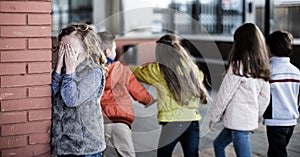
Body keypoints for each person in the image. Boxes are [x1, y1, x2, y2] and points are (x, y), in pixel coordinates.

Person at [132, 34, 209, 157]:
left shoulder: (158, 70)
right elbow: (200, 77)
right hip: (192, 122)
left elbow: (138, 71)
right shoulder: (192, 68)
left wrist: (119, 67)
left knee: (163, 155)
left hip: (172, 122)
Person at [209, 23, 271, 157]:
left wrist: (214, 116)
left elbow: (225, 93)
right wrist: (255, 115)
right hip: (243, 120)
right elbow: (265, 97)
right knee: (218, 144)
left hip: (237, 122)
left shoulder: (238, 65)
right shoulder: (261, 65)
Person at [51, 23, 107, 157]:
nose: (64, 51)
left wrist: (70, 70)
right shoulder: (64, 70)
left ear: (85, 47)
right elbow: (52, 95)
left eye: (69, 47)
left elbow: (72, 99)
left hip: (86, 148)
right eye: (62, 47)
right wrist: (58, 67)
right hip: (63, 146)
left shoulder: (93, 71)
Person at [97, 31, 154, 157]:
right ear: (108, 52)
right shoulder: (122, 69)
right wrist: (148, 100)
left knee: (99, 153)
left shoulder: (94, 72)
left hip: (101, 121)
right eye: (114, 49)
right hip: (121, 122)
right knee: (127, 154)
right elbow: (136, 89)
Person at [263, 30, 300, 157]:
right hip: (291, 120)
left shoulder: (269, 71)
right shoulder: (296, 71)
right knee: (277, 150)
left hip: (275, 121)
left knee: (277, 153)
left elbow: (263, 96)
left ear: (270, 48)